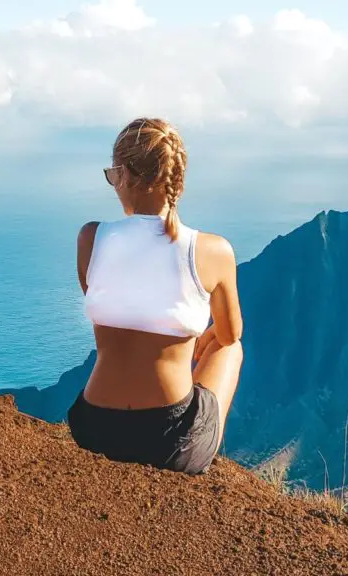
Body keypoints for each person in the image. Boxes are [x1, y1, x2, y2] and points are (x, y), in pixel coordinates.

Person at [67, 117, 244, 475]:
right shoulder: (214, 250)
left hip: (91, 427)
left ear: (125, 175)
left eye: (113, 175)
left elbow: (105, 300)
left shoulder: (91, 238)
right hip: (168, 443)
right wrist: (201, 335)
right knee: (231, 348)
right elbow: (229, 336)